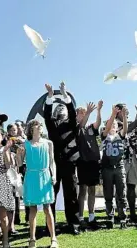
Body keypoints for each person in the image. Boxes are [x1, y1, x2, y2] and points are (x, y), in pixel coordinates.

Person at [43, 82, 80, 235]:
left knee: (71, 193)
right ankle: (50, 224)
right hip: (54, 164)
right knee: (51, 193)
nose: (61, 109)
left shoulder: (71, 123)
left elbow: (72, 112)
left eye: (62, 107)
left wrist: (65, 96)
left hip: (70, 162)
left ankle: (74, 224)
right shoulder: (51, 124)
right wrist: (50, 97)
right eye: (58, 108)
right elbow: (46, 115)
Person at [17, 119, 58, 248]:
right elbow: (19, 164)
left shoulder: (48, 143)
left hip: (45, 175)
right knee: (32, 209)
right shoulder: (25, 144)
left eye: (40, 125)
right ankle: (32, 239)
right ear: (31, 129)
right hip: (31, 177)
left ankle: (53, 239)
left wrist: (54, 175)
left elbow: (52, 161)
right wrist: (18, 154)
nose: (39, 127)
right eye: (36, 125)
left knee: (47, 208)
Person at [76, 101, 103, 228]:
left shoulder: (91, 128)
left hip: (93, 162)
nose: (82, 115)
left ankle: (92, 216)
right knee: (82, 190)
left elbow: (98, 123)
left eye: (83, 113)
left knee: (92, 189)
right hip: (82, 162)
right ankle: (80, 217)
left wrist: (98, 110)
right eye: (80, 113)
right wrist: (87, 112)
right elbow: (81, 124)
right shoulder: (77, 127)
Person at [101, 106, 128, 229]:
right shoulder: (104, 136)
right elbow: (107, 128)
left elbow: (125, 129)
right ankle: (110, 217)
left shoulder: (120, 136)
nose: (113, 126)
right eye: (111, 124)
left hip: (119, 167)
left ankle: (123, 219)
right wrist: (113, 114)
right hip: (107, 168)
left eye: (115, 125)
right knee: (108, 194)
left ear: (117, 127)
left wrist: (124, 116)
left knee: (121, 194)